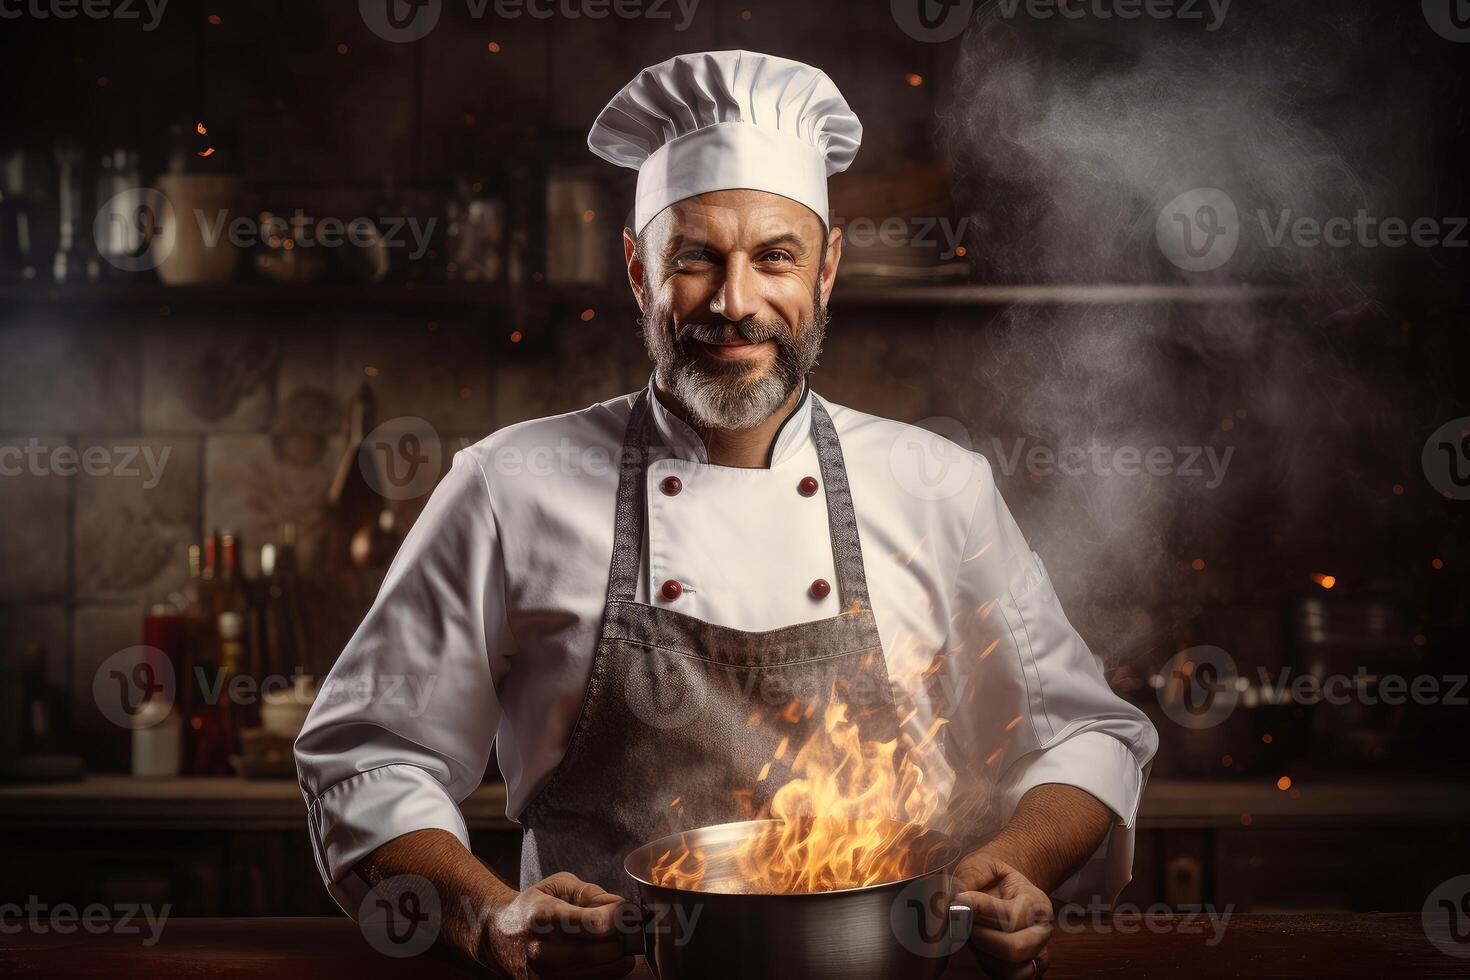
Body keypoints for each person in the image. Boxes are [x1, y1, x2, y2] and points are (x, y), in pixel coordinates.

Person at [296, 49, 1158, 980]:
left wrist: (1017, 867)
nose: (736, 303)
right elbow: (368, 758)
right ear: (637, 269)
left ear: (826, 269)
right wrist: (492, 918)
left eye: (775, 258)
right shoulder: (510, 485)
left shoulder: (935, 484)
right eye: (696, 258)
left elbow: (1084, 737)